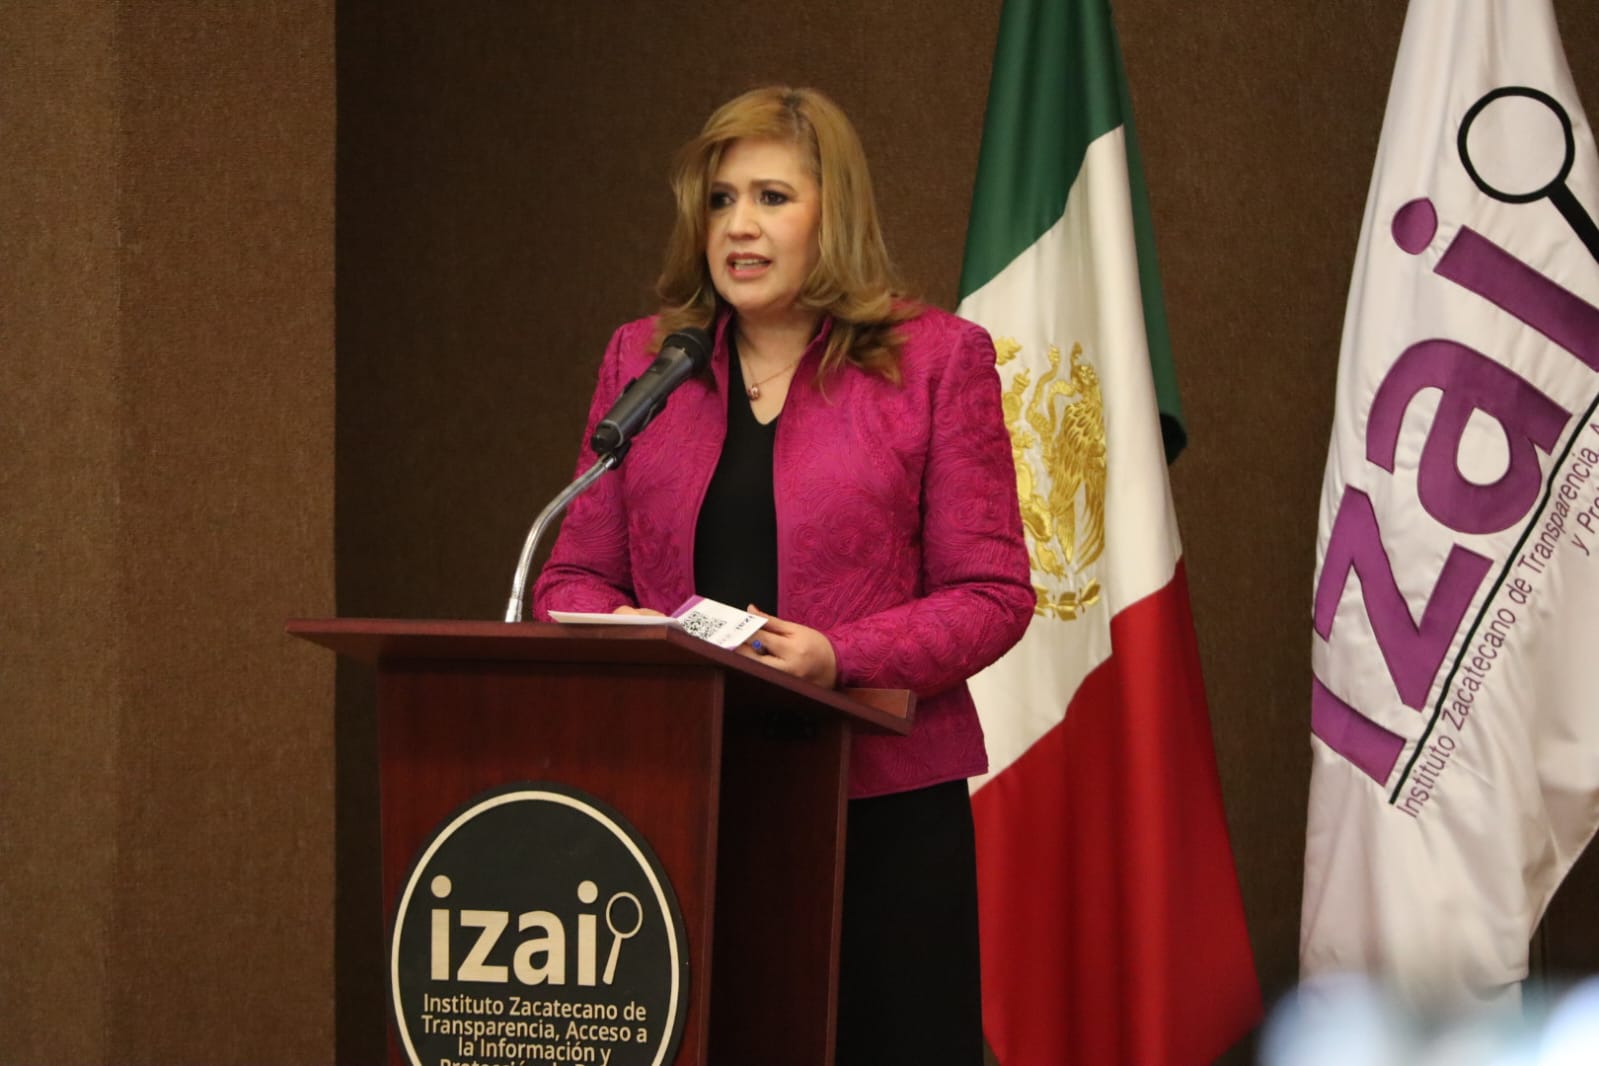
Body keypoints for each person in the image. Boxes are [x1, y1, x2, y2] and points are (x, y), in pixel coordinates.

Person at [533, 85, 1033, 1065]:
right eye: (721, 200)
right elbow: (573, 574)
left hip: (878, 809)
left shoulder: (936, 360)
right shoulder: (647, 360)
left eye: (771, 197)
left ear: (832, 214)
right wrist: (629, 633)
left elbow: (992, 593)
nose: (738, 226)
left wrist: (839, 656)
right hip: (686, 801)